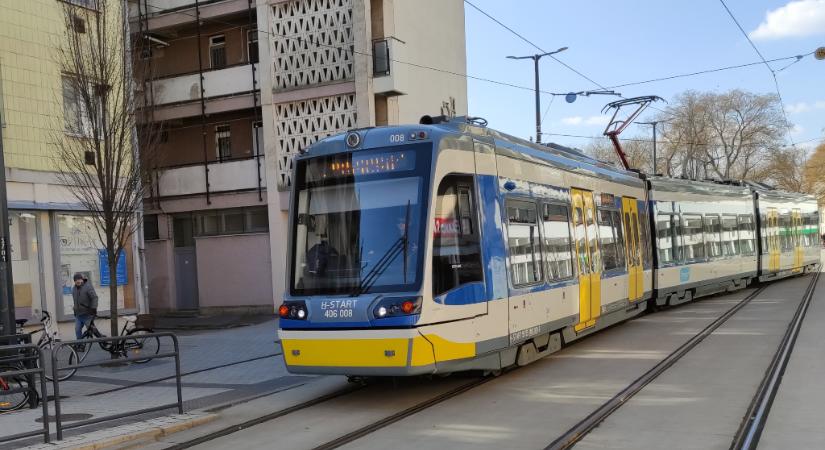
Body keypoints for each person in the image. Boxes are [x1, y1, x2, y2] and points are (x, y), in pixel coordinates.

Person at [72, 273, 98, 339]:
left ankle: (103, 341)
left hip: (87, 315)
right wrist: (75, 309)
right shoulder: (74, 289)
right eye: (76, 280)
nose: (77, 281)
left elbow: (94, 298)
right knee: (77, 330)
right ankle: (79, 344)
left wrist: (93, 308)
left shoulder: (87, 287)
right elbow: (75, 301)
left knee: (93, 331)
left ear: (82, 279)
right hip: (78, 315)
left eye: (79, 279)